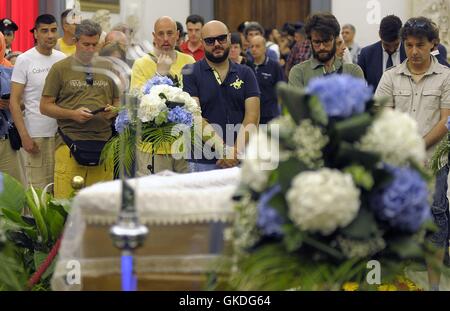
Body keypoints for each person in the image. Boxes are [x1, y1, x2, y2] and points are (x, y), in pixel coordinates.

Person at [375, 17, 450, 291]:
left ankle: (433, 285)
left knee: (435, 220)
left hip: (433, 162)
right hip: (397, 161)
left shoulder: (446, 76)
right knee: (395, 220)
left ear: (433, 45)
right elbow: (380, 114)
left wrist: (419, 145)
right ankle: (396, 282)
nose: (414, 51)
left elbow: (447, 120)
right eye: (409, 45)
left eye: (420, 45)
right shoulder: (390, 76)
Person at [40, 20, 119, 199]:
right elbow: (45, 106)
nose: (90, 49)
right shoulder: (60, 68)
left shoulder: (108, 67)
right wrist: (72, 114)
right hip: (69, 144)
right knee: (66, 208)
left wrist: (113, 111)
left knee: (101, 210)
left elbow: (117, 101)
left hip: (103, 145)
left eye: (94, 45)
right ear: (76, 41)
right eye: (86, 44)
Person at [183, 20, 260, 172]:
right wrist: (224, 151)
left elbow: (253, 116)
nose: (217, 43)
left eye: (221, 38)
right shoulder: (190, 72)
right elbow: (195, 117)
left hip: (241, 158)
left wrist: (235, 153)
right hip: (203, 161)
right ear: (202, 43)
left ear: (229, 38)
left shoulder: (246, 73)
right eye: (210, 40)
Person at [130, 16, 195, 176]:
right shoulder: (141, 63)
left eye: (170, 33)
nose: (165, 39)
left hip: (183, 144)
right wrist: (160, 73)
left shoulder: (189, 61)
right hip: (153, 145)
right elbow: (137, 103)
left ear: (177, 35)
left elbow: (195, 100)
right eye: (160, 34)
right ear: (154, 36)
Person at [9, 14, 66, 189]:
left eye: (54, 30)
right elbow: (14, 102)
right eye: (44, 31)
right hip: (36, 135)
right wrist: (24, 136)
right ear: (35, 34)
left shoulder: (62, 59)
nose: (50, 35)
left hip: (62, 134)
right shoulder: (24, 60)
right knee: (38, 190)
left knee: (60, 188)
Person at [288, 13, 364, 89]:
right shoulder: (298, 72)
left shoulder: (353, 71)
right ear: (310, 41)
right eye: (317, 42)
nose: (321, 47)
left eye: (326, 41)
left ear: (335, 39)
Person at [358, 15, 406, 91]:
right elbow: (359, 86)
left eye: (396, 44)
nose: (391, 49)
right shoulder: (366, 54)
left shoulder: (410, 53)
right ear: (379, 34)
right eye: (386, 45)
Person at [0, 32, 24, 184]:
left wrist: (13, 102)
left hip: (6, 139)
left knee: (13, 188)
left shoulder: (9, 71)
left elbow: (22, 103)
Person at [247, 35, 284, 124]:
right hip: (251, 115)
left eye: (257, 46)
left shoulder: (275, 66)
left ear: (265, 48)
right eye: (252, 46)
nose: (254, 49)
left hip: (270, 115)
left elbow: (281, 90)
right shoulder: (247, 67)